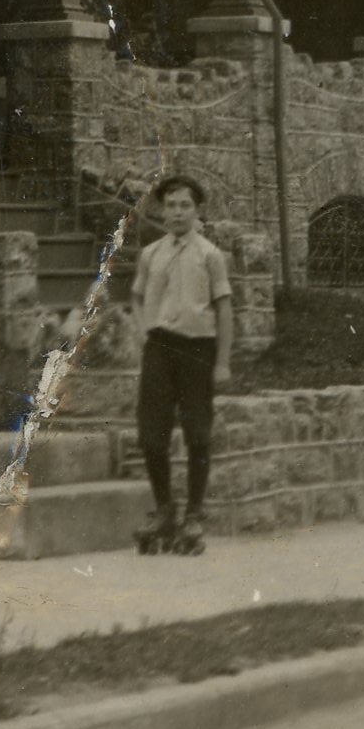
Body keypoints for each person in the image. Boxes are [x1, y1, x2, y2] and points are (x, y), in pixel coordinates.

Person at [124, 172, 236, 554]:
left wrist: (222, 362)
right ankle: (164, 510)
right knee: (151, 433)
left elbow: (224, 309)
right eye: (170, 205)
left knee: (197, 433)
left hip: (197, 350)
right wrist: (144, 330)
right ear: (161, 210)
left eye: (185, 205)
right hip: (159, 348)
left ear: (196, 210)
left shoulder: (209, 255)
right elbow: (136, 297)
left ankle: (194, 514)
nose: (177, 212)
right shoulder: (151, 254)